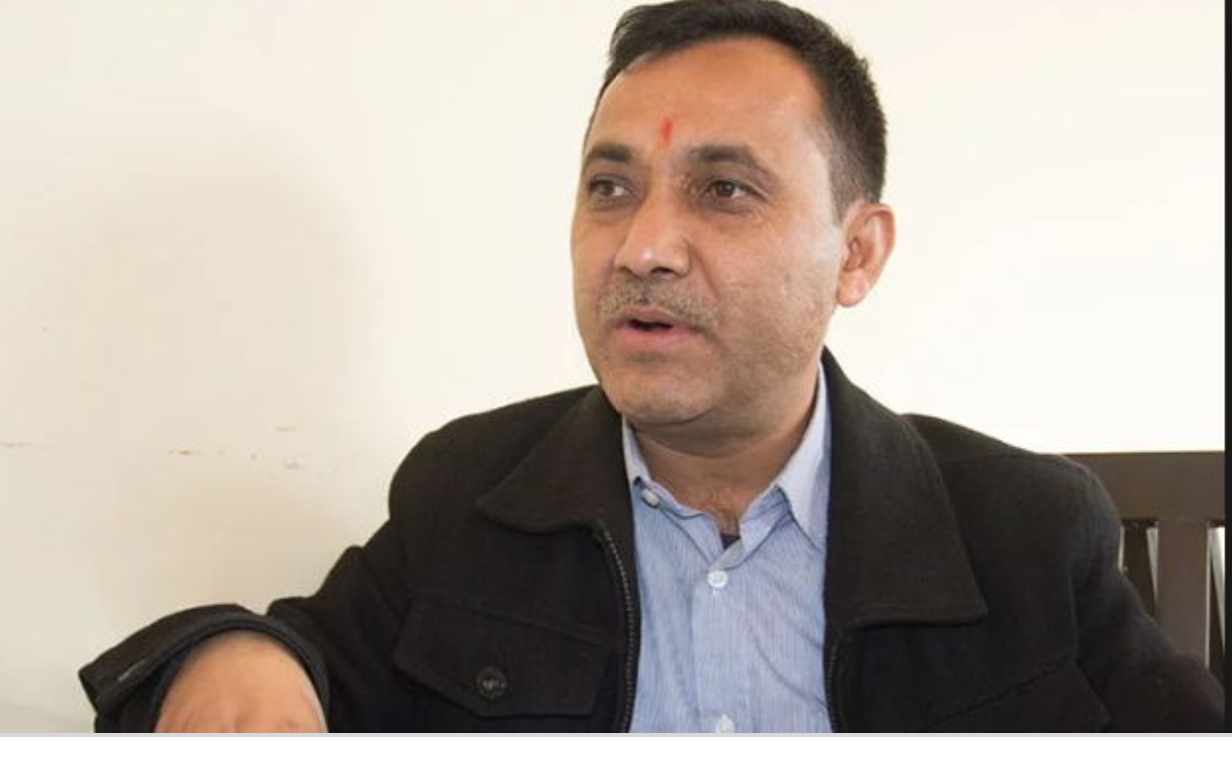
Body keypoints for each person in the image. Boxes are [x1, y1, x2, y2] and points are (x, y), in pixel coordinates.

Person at [79, 0, 1224, 732]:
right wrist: (232, 652)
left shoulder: (1024, 530)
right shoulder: (470, 494)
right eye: (609, 188)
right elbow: (303, 658)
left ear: (856, 254)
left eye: (722, 189)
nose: (642, 246)